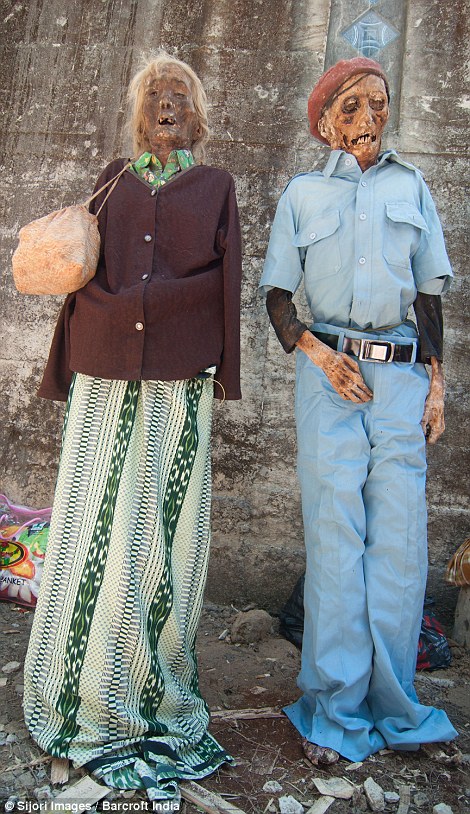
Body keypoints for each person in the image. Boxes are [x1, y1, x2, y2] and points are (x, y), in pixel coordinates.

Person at [24, 51, 242, 801]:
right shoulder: (113, 177)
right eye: (155, 95)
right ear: (137, 112)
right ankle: (78, 684)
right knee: (91, 523)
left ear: (199, 115)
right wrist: (67, 360)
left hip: (179, 378)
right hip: (103, 369)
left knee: (160, 531)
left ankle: (149, 684)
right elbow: (80, 276)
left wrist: (224, 372)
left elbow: (230, 280)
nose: (168, 104)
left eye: (181, 95)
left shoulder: (216, 187)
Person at [259, 57, 458, 765]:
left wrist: (436, 383)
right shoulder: (303, 194)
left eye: (378, 104)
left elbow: (429, 294)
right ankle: (335, 710)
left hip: (402, 383)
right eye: (352, 108)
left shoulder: (412, 186)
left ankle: (396, 706)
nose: (369, 119)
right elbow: (278, 296)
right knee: (337, 542)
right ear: (324, 123)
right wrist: (319, 354)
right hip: (330, 379)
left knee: (401, 544)